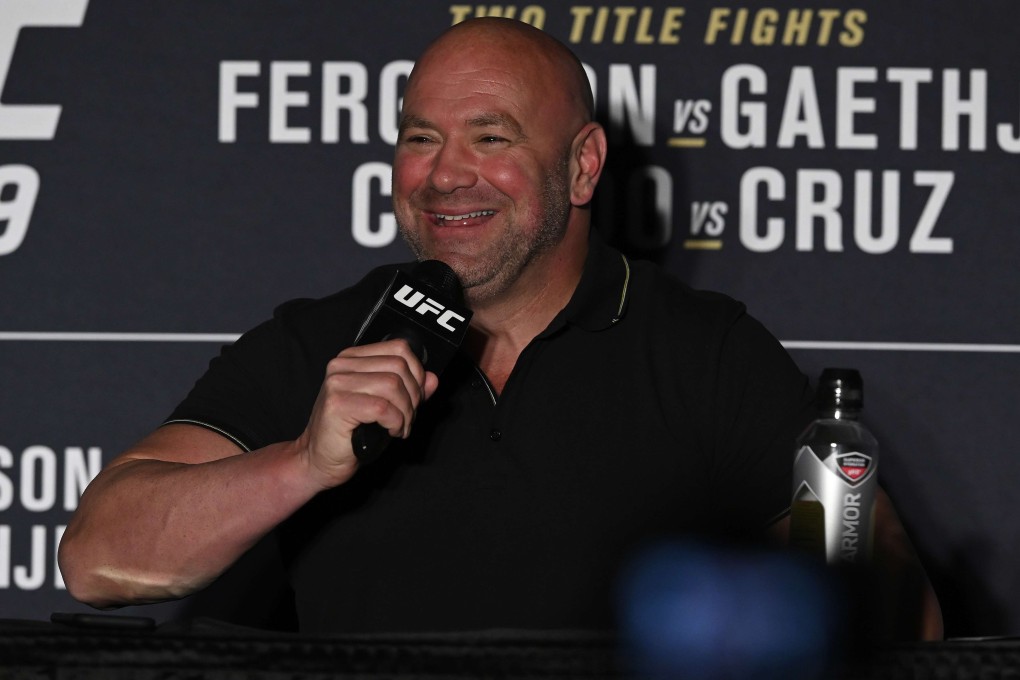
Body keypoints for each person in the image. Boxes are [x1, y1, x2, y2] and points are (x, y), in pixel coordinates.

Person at [59, 17, 940, 638]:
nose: (446, 175)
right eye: (419, 137)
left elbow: (899, 605)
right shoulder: (323, 341)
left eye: (491, 138)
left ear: (583, 164)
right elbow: (98, 560)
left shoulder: (701, 350)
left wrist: (800, 595)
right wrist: (303, 462)